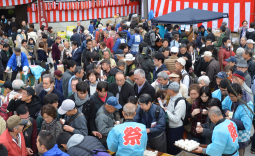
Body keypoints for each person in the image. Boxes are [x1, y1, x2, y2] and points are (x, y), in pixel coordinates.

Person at [222, 83, 253, 156]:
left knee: (239, 153)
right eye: (228, 96)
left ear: (239, 95)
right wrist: (226, 111)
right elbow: (224, 105)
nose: (230, 98)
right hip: (231, 131)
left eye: (232, 96)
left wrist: (231, 120)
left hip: (241, 135)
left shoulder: (247, 106)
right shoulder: (231, 96)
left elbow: (245, 125)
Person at [164, 82, 186, 154]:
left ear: (172, 91)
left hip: (176, 130)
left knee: (174, 150)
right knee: (169, 150)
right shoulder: (172, 98)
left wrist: (166, 111)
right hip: (169, 128)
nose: (166, 91)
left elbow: (176, 119)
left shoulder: (181, 102)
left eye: (167, 89)